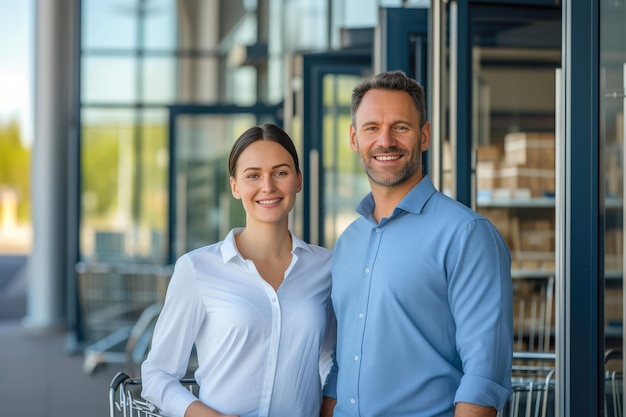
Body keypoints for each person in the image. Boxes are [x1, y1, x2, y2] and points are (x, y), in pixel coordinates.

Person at [321, 71, 513, 417]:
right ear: (353, 138)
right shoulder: (349, 241)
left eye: (401, 127)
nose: (386, 141)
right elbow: (341, 367)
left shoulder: (467, 234)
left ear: (424, 136)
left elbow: (484, 376)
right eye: (371, 128)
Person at [141, 123, 336, 417]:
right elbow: (157, 374)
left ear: (298, 180)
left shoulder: (326, 267)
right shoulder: (197, 269)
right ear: (235, 186)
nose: (267, 186)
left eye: (280, 172)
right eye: (253, 175)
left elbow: (330, 357)